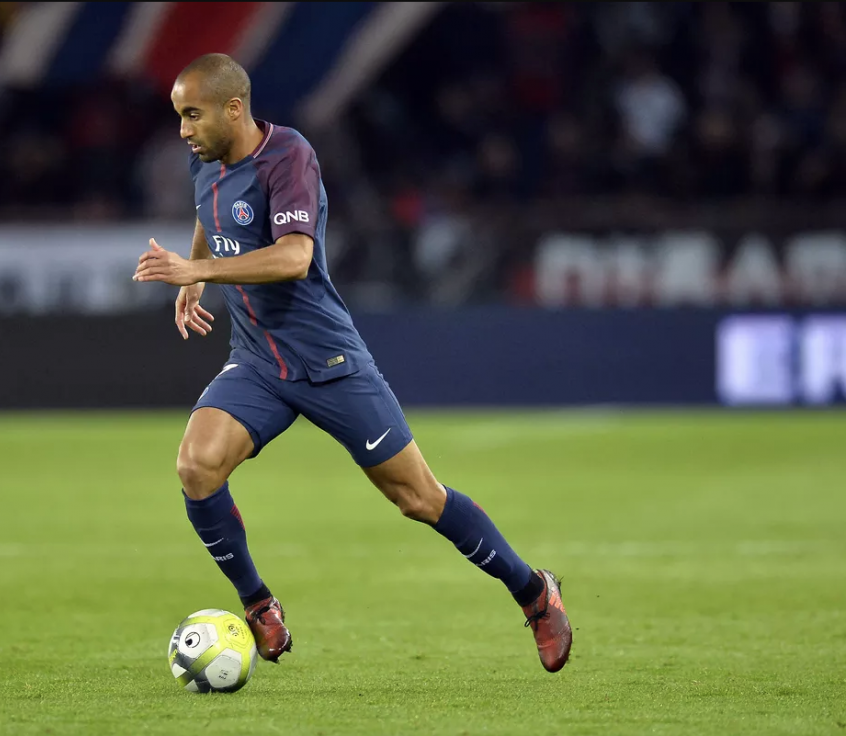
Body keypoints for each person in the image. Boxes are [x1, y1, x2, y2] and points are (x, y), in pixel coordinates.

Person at [133, 54, 572, 674]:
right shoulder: (204, 160)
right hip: (258, 362)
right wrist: (195, 276)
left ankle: (533, 592)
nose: (183, 129)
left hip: (328, 361)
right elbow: (211, 215)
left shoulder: (288, 157)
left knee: (418, 498)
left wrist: (197, 268)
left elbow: (293, 257)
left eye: (192, 114)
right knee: (196, 466)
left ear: (234, 108)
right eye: (179, 115)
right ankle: (258, 604)